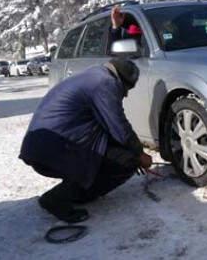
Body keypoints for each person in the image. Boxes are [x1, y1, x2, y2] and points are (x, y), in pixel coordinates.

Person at [19, 58, 152, 223]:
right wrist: (139, 153)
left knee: (113, 153)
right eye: (127, 88)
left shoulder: (94, 75)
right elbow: (119, 126)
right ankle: (58, 198)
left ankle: (77, 193)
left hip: (42, 146)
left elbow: (108, 127)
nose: (126, 94)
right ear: (121, 80)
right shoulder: (105, 83)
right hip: (53, 149)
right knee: (126, 161)